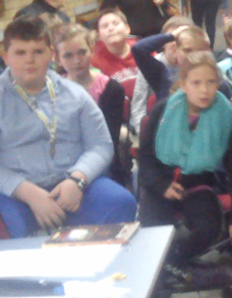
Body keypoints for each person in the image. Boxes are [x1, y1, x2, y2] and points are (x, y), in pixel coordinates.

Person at [0, 17, 136, 237]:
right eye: (20, 53)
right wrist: (27, 193)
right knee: (13, 227)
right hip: (19, 190)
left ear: (51, 55)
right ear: (5, 57)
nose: (30, 60)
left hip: (73, 182)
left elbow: (101, 145)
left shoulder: (75, 94)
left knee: (121, 202)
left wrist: (77, 180)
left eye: (38, 51)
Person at [137, 51, 232, 287]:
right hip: (159, 183)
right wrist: (161, 184)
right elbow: (145, 157)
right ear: (184, 85)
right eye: (196, 83)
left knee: (208, 228)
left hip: (198, 184)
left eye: (211, 82)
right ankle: (182, 272)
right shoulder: (163, 111)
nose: (204, 90)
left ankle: (171, 267)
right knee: (155, 233)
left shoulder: (224, 115)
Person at [51, 24, 130, 187]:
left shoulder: (111, 89)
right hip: (61, 165)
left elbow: (108, 139)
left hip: (101, 163)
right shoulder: (52, 90)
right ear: (57, 59)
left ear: (91, 49)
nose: (77, 61)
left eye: (82, 52)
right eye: (68, 55)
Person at [130, 19, 208, 134]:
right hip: (167, 133)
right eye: (173, 40)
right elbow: (138, 49)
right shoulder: (161, 73)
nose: (175, 44)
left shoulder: (206, 74)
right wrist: (171, 36)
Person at [90, 7, 139, 86]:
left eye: (115, 23)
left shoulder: (142, 49)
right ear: (99, 36)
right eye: (105, 26)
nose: (111, 28)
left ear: (127, 29)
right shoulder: (95, 62)